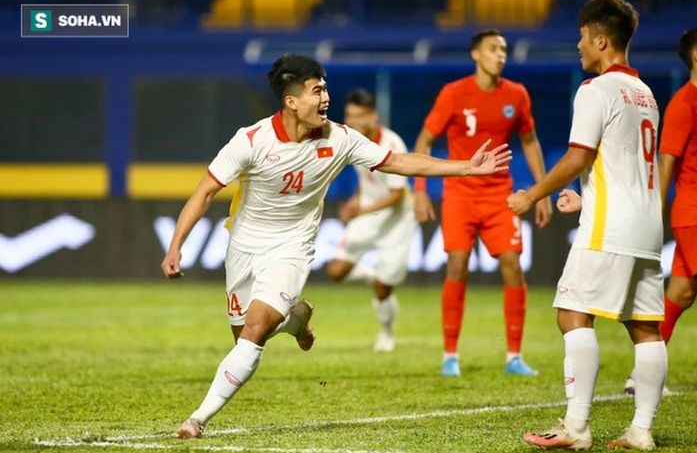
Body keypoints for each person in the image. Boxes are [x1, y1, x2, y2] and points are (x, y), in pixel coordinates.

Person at [161, 54, 512, 439]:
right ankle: (296, 320)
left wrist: (465, 167)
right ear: (291, 101)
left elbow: (399, 162)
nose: (326, 97)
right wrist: (176, 246)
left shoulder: (340, 138)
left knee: (255, 332)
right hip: (244, 245)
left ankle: (197, 418)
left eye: (325, 87)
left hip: (292, 247)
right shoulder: (251, 140)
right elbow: (205, 191)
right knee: (244, 332)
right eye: (317, 90)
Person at [509, 0, 666, 450]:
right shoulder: (646, 94)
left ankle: (575, 429)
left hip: (611, 226)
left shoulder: (595, 89)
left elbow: (579, 155)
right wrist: (587, 195)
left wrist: (531, 193)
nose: (578, 45)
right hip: (647, 225)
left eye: (581, 36)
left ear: (601, 39)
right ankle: (641, 431)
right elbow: (625, 163)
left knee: (572, 313)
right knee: (645, 326)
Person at [413, 28, 552, 377]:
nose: (500, 55)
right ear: (476, 54)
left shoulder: (517, 95)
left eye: (503, 49)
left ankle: (514, 356)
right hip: (460, 193)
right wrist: (419, 189)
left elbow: (530, 140)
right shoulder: (454, 93)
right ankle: (450, 356)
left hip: (498, 195)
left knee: (513, 265)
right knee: (457, 264)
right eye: (493, 49)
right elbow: (426, 139)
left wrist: (541, 190)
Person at [623, 27, 697, 396]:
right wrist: (655, 209)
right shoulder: (685, 103)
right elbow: (665, 161)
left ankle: (641, 374)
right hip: (694, 213)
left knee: (682, 292)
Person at [326, 88, 417, 352]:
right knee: (336, 271)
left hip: (396, 220)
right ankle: (369, 273)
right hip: (368, 212)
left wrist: (359, 211)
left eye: (359, 116)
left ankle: (386, 335)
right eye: (349, 116)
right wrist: (356, 199)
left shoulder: (392, 144)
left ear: (373, 116)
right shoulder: (353, 140)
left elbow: (397, 196)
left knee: (384, 287)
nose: (353, 122)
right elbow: (367, 180)